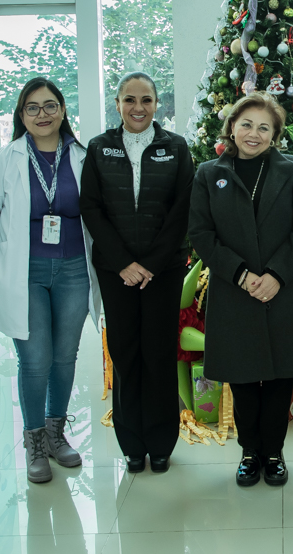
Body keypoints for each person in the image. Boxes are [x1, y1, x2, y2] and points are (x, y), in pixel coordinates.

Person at [189, 92, 293, 487]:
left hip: (284, 288)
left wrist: (275, 275)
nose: (254, 133)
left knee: (282, 375)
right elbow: (201, 233)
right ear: (232, 127)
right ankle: (250, 452)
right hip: (235, 292)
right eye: (246, 124)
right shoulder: (207, 173)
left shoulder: (292, 168)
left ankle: (274, 451)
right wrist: (242, 276)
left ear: (275, 134)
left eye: (264, 127)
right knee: (244, 375)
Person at [0, 77, 101, 484]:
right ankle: (34, 442)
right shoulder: (8, 158)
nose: (42, 114)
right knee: (35, 360)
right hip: (25, 272)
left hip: (74, 271)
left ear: (63, 111)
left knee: (65, 357)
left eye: (50, 106)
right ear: (21, 115)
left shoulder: (83, 156)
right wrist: (15, 255)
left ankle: (55, 433)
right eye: (32, 107)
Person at [80, 72, 194, 474]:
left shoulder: (175, 148)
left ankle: (162, 442)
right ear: (118, 104)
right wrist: (124, 264)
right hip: (117, 272)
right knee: (126, 352)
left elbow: (183, 211)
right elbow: (91, 208)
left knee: (159, 353)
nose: (138, 108)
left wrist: (150, 264)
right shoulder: (99, 148)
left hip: (162, 271)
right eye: (130, 99)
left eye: (146, 100)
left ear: (157, 104)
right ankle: (131, 442)